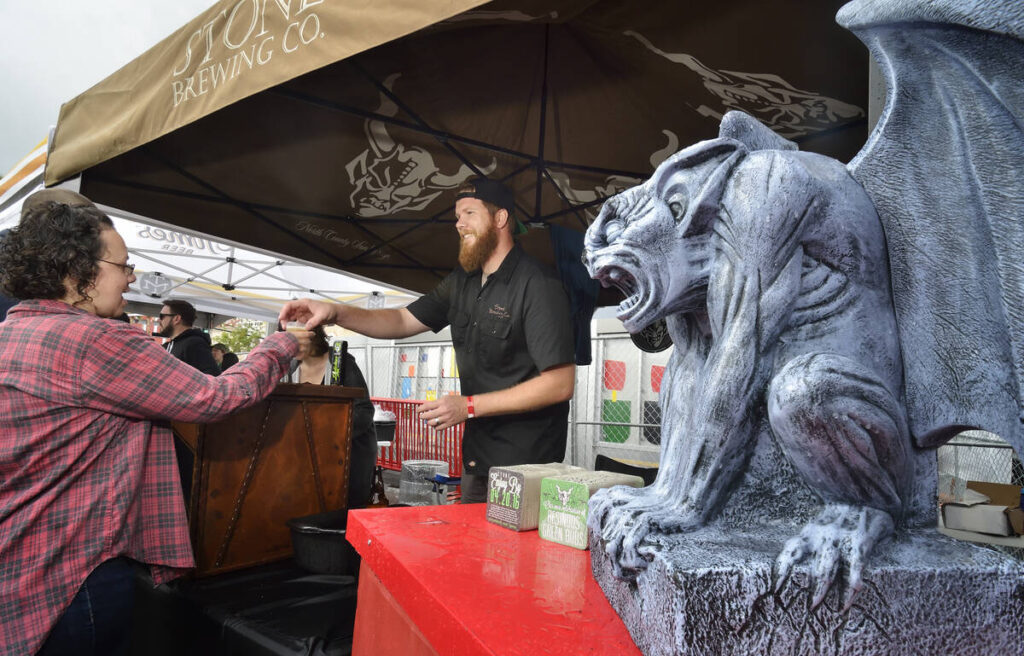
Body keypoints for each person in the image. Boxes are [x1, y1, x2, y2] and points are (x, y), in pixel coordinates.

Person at [0, 196, 311, 655]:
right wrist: (281, 346)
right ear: (76, 270)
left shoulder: (13, 330)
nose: (131, 278)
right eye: (122, 265)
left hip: (22, 558)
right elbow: (216, 396)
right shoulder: (93, 340)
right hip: (74, 571)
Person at [280, 178, 576, 503]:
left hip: (526, 466)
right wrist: (334, 311)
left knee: (504, 554)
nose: (458, 223)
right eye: (457, 216)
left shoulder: (538, 284)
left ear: (500, 219)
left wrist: (469, 406)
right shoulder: (462, 281)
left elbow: (559, 383)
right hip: (478, 457)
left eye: (469, 213)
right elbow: (402, 319)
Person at [287, 326, 377, 508]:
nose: (290, 344)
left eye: (297, 338)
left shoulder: (341, 363)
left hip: (350, 455)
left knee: (343, 510)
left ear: (313, 337)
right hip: (313, 454)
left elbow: (364, 411)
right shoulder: (291, 367)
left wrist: (329, 436)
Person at [157, 299, 221, 376]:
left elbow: (212, 376)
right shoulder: (170, 345)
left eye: (162, 316)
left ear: (176, 319)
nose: (158, 320)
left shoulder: (194, 343)